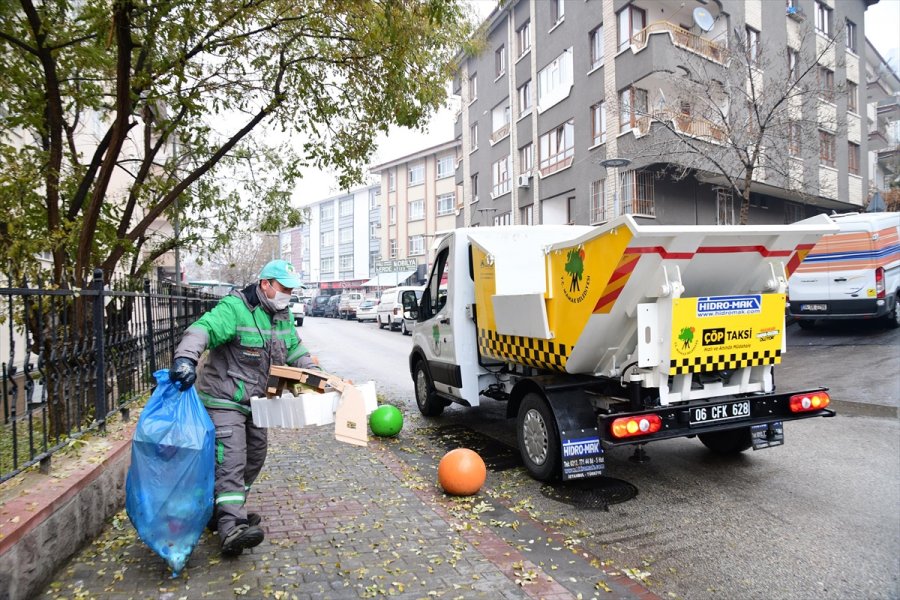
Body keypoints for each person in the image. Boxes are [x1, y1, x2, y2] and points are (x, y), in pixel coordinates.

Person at [169, 259, 318, 556]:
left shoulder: (282, 315)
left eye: (292, 290)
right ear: (265, 284)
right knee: (232, 460)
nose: (288, 294)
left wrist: (316, 374)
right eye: (284, 288)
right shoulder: (235, 308)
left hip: (258, 402)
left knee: (255, 457)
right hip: (224, 399)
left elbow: (294, 350)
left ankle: (222, 510)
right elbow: (202, 330)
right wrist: (185, 359)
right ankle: (232, 527)